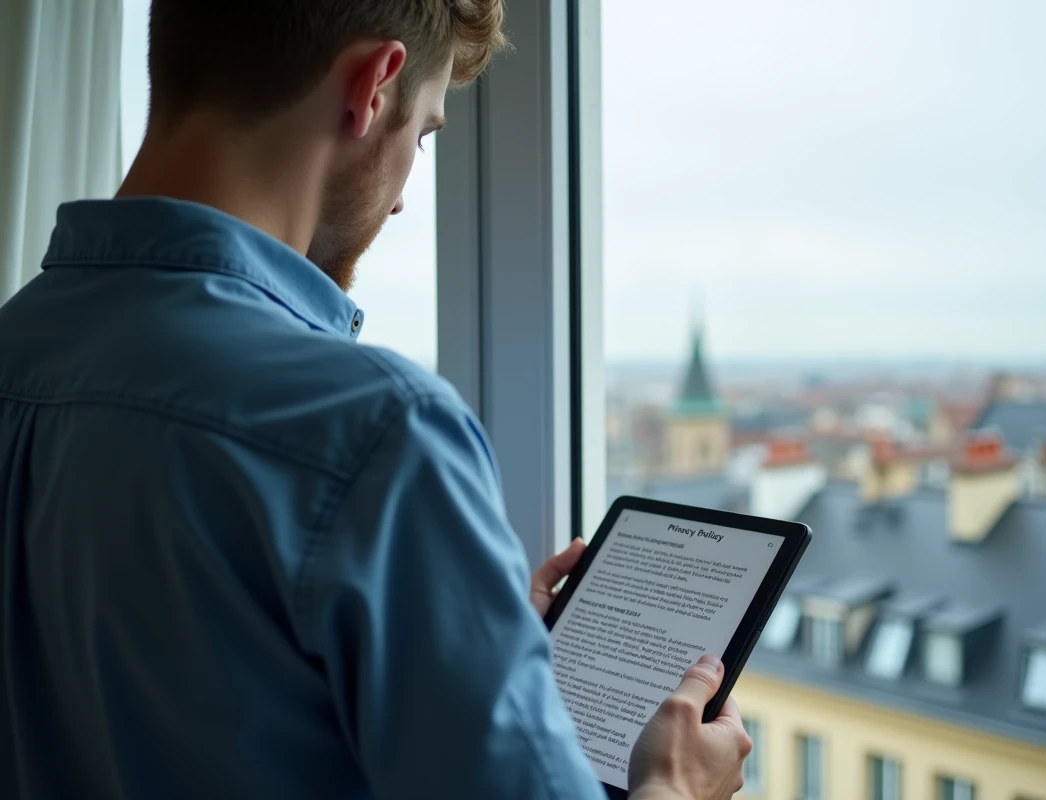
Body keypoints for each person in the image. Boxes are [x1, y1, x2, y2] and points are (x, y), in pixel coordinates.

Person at [0, 1, 753, 799]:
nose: (399, 202)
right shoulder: (378, 432)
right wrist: (675, 787)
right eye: (423, 134)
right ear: (372, 86)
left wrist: (462, 647)